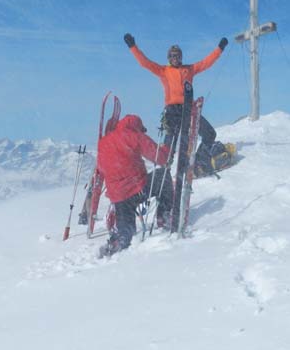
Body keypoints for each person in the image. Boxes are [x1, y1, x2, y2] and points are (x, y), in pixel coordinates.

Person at [123, 33, 227, 164]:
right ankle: (164, 172)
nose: (175, 58)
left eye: (177, 55)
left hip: (189, 110)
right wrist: (133, 46)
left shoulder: (189, 69)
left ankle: (200, 160)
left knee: (210, 134)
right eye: (172, 55)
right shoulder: (163, 71)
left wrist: (220, 48)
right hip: (172, 112)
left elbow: (206, 62)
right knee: (169, 148)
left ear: (181, 57)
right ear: (168, 57)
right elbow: (145, 63)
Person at [96, 112, 172, 257]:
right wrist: (167, 147)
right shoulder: (134, 135)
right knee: (163, 176)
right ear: (137, 126)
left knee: (126, 230)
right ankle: (164, 215)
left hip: (118, 197)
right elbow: (161, 158)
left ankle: (117, 242)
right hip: (137, 189)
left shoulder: (104, 142)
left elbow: (101, 169)